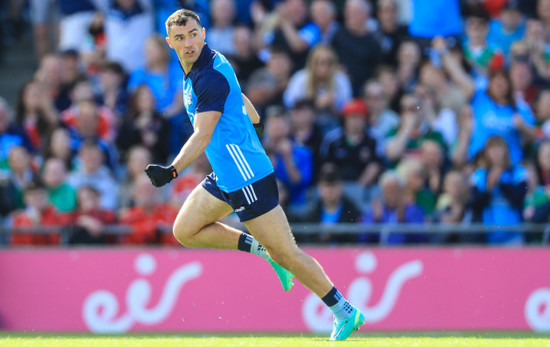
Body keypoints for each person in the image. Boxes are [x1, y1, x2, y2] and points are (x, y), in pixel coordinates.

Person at [144, 9, 364, 340]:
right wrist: (254, 115)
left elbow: (203, 134)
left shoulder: (207, 77)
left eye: (192, 34)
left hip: (246, 177)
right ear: (169, 43)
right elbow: (238, 94)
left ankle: (344, 310)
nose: (188, 43)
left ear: (203, 33)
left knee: (287, 253)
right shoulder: (210, 64)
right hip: (226, 173)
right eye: (179, 38)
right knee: (185, 230)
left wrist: (173, 169)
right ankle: (262, 250)